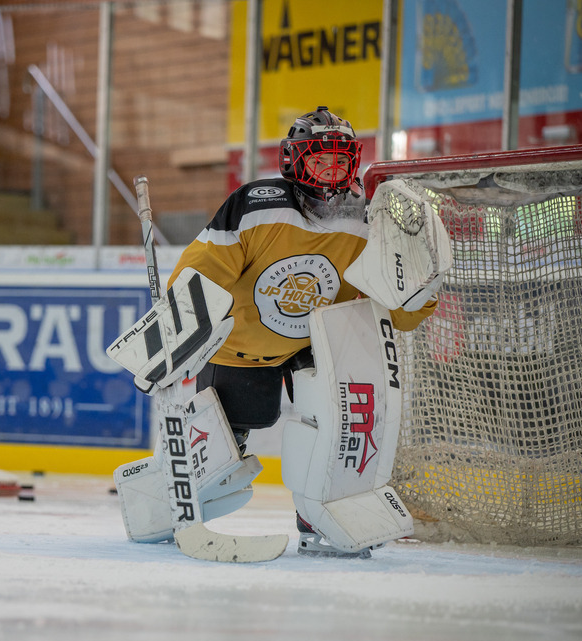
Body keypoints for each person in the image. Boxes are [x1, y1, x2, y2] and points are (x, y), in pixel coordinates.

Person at [165, 106, 438, 544]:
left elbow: (395, 309)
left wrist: (420, 291)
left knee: (340, 427)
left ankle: (319, 517)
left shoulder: (367, 220)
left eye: (341, 160)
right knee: (224, 443)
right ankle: (175, 506)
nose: (331, 170)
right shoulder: (255, 205)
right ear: (294, 161)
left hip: (317, 344)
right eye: (319, 158)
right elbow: (199, 276)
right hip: (241, 343)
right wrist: (179, 323)